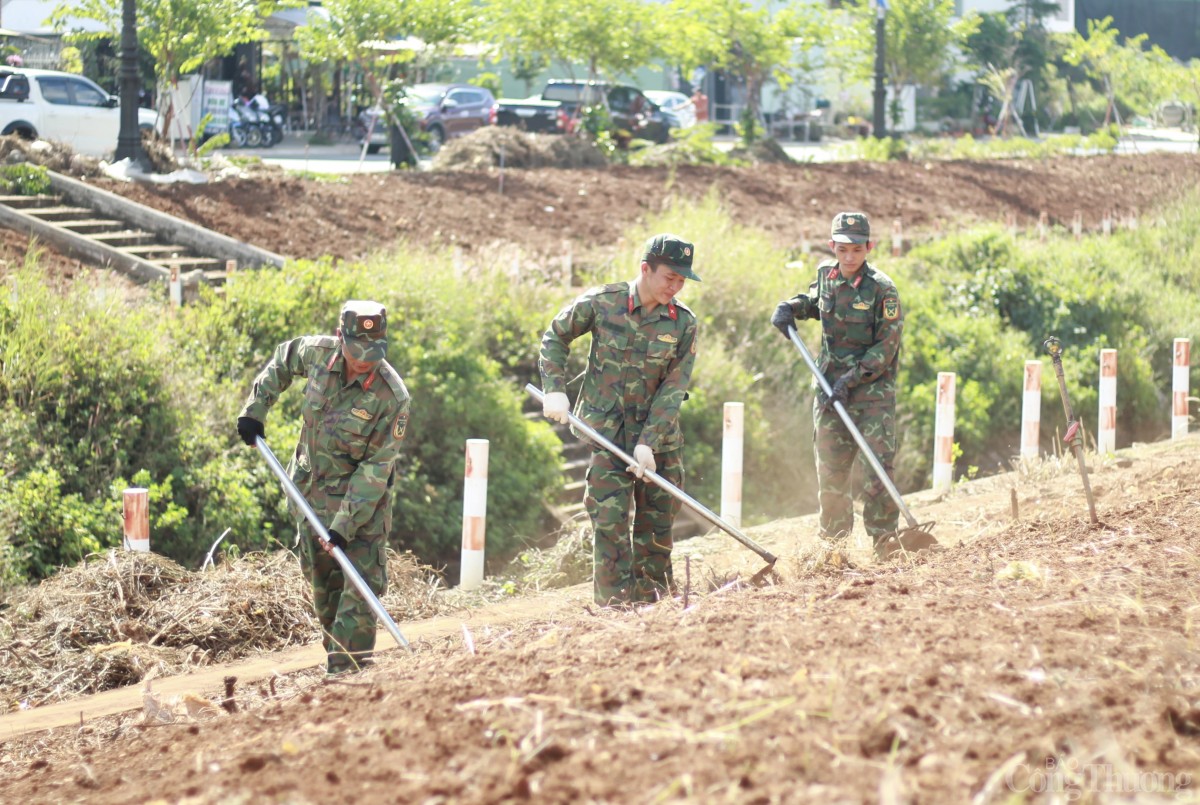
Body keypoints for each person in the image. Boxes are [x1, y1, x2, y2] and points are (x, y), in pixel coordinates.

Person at [237, 300, 410, 675]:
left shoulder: (392, 398)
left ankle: (346, 675)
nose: (365, 360)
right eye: (357, 350)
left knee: (360, 594)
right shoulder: (317, 354)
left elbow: (375, 469)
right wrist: (255, 410)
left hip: (361, 510)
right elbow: (282, 362)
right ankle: (342, 666)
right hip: (310, 497)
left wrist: (344, 527)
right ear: (340, 338)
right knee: (326, 596)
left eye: (374, 352)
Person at [539, 235, 700, 606]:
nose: (675, 288)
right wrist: (555, 389)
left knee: (655, 529)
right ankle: (614, 611)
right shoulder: (603, 303)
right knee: (609, 523)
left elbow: (673, 389)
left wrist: (648, 442)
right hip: (607, 436)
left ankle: (654, 608)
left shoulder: (683, 324)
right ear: (645, 269)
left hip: (659, 442)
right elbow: (555, 337)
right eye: (669, 278)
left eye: (682, 281)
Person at [771, 212, 904, 558]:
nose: (849, 257)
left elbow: (886, 347)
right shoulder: (826, 277)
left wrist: (852, 379)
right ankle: (834, 548)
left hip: (871, 394)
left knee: (878, 471)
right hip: (830, 391)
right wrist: (791, 307)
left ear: (868, 247)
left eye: (856, 249)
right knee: (831, 471)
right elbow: (815, 303)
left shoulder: (882, 289)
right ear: (832, 246)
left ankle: (885, 543)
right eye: (842, 249)